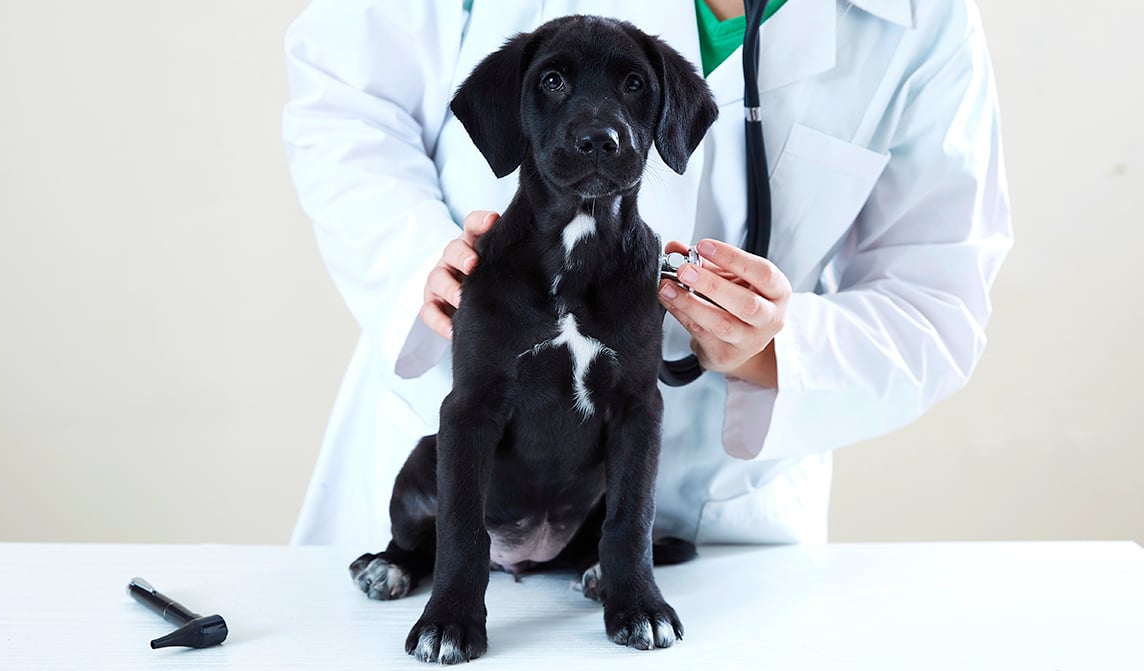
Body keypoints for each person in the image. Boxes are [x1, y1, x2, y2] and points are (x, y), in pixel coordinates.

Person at [281, 0, 1012, 549]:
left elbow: (937, 296)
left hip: (716, 527)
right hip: (456, 493)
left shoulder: (924, 21)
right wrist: (417, 257)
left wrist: (776, 347)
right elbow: (345, 94)